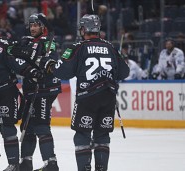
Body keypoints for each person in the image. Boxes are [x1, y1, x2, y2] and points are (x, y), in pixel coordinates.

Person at [40, 14, 129, 171]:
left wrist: (50, 65)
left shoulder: (78, 47)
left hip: (87, 98)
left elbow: (62, 72)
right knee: (102, 135)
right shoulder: (111, 47)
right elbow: (124, 72)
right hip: (108, 97)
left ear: (84, 29)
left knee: (82, 134)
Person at [0, 16, 44, 171]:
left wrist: (31, 71)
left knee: (7, 128)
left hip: (6, 92)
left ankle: (13, 164)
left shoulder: (3, 45)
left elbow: (16, 62)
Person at [9, 13, 61, 171]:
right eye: (31, 25)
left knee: (41, 125)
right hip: (30, 90)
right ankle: (26, 162)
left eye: (36, 25)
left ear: (43, 27)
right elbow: (11, 52)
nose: (32, 28)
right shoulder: (25, 41)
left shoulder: (48, 42)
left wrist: (43, 63)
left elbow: (52, 59)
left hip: (45, 89)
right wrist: (29, 58)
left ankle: (51, 163)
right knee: (27, 125)